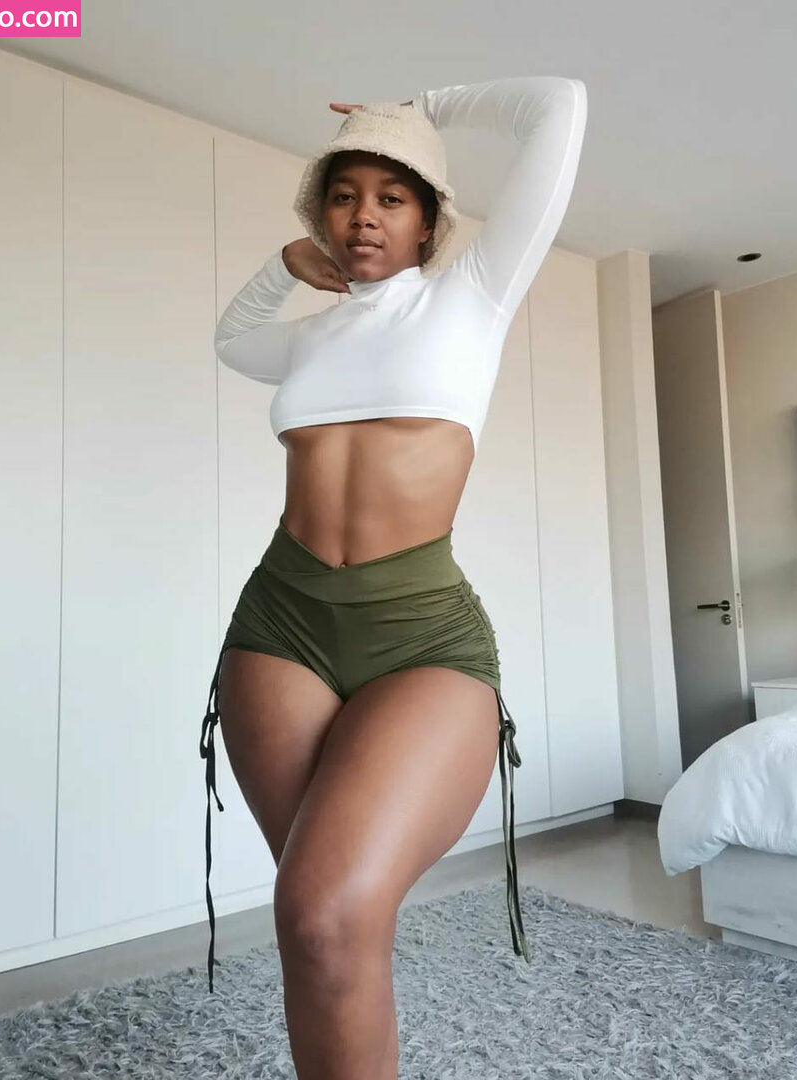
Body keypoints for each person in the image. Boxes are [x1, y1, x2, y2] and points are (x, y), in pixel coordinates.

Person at [199, 75, 588, 1078]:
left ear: (426, 222)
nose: (363, 214)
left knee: (327, 910)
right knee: (320, 924)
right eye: (342, 196)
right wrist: (281, 266)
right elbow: (232, 340)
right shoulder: (309, 336)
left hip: (419, 636)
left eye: (390, 195)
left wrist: (421, 107)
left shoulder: (472, 294)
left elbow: (560, 105)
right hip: (279, 626)